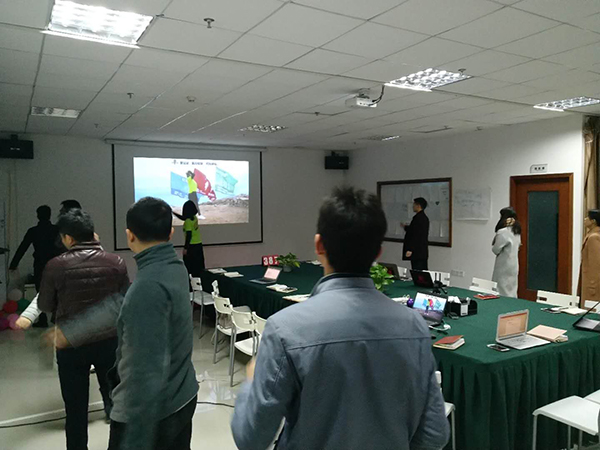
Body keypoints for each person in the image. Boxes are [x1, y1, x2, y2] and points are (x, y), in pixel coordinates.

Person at [231, 186, 449, 450]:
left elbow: (251, 438)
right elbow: (434, 435)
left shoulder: (285, 329)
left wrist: (252, 380)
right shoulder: (415, 327)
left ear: (319, 245)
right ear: (378, 253)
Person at [52, 197, 198, 450]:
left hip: (153, 415)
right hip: (183, 396)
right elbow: (127, 303)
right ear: (171, 233)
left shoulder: (147, 286)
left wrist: (134, 437)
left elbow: (147, 373)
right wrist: (76, 330)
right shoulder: (174, 268)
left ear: (129, 235)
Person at [38, 209, 129, 450]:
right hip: (109, 341)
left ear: (68, 238)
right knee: (117, 404)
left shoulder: (55, 266)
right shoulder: (116, 262)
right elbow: (124, 301)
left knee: (75, 409)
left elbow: (45, 305)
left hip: (70, 342)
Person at [9, 205, 60, 327]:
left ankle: (42, 319)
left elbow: (22, 248)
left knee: (40, 292)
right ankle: (57, 317)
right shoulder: (57, 230)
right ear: (49, 215)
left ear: (38, 215)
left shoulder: (33, 231)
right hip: (55, 264)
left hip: (40, 265)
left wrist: (13, 264)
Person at [491, 207, 522, 298]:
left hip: (503, 265)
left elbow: (495, 250)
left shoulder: (503, 232)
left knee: (501, 289)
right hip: (514, 265)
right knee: (512, 289)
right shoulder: (516, 231)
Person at [174, 200, 205, 278]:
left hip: (191, 246)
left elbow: (189, 236)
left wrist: (185, 248)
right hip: (198, 245)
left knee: (189, 267)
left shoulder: (188, 222)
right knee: (198, 266)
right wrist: (173, 213)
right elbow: (183, 218)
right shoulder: (194, 218)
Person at [578, 210, 600, 308]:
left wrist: (592, 286)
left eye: (587, 217)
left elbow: (596, 264)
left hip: (592, 283)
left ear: (593, 221)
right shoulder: (591, 234)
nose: (585, 219)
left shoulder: (594, 237)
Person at [403, 197, 430, 271]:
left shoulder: (418, 218)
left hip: (417, 251)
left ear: (418, 206)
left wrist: (410, 249)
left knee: (418, 271)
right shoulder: (423, 218)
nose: (413, 206)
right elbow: (414, 231)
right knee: (420, 271)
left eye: (414, 205)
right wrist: (406, 227)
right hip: (421, 251)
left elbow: (415, 235)